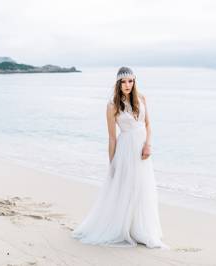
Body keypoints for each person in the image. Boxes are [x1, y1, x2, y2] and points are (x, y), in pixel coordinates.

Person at [71, 67, 168, 249]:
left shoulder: (142, 99)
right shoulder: (112, 105)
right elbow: (112, 137)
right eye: (123, 82)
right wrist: (112, 163)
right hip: (125, 150)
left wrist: (148, 144)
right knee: (126, 188)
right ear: (118, 83)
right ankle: (123, 228)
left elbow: (148, 124)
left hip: (142, 149)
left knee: (142, 187)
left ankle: (141, 229)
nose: (127, 85)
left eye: (130, 81)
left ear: (134, 81)